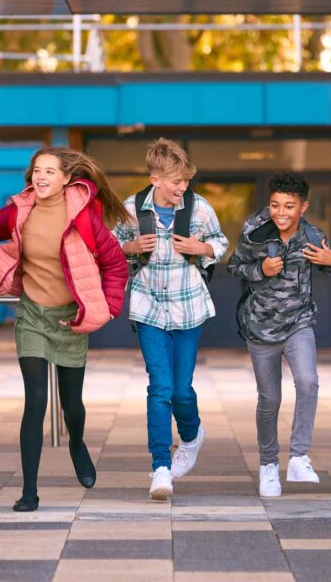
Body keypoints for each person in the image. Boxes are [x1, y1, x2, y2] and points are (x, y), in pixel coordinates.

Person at [0, 147, 129, 511]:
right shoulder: (19, 211)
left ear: (65, 179)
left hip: (69, 319)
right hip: (32, 317)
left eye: (49, 171)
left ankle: (76, 443)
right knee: (36, 403)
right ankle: (29, 491)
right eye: (36, 171)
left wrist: (103, 311)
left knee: (72, 404)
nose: (41, 177)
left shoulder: (85, 217)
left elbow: (116, 265)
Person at [113, 138, 228, 501]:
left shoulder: (199, 209)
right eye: (176, 181)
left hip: (189, 307)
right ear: (155, 179)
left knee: (181, 390)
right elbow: (110, 248)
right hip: (148, 307)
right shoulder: (131, 209)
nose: (183, 188)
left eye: (186, 181)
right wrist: (129, 248)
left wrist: (203, 248)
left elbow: (221, 243)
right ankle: (161, 466)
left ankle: (192, 434)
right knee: (159, 387)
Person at [227, 172, 331, 498]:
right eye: (275, 205)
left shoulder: (313, 237)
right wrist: (260, 270)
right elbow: (234, 267)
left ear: (303, 206)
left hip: (299, 323)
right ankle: (268, 465)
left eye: (289, 206)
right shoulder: (254, 233)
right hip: (260, 327)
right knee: (269, 400)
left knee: (308, 381)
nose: (281, 213)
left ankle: (300, 456)